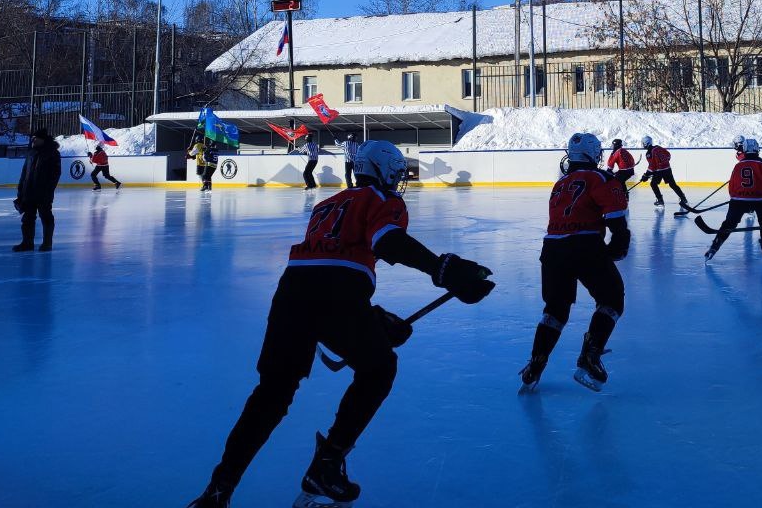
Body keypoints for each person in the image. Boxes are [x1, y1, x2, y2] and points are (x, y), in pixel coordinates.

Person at [185, 141, 495, 508]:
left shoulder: (327, 203)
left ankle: (217, 490)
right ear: (382, 171)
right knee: (379, 369)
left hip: (291, 292)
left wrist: (370, 318)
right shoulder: (382, 200)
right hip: (336, 293)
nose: (398, 180)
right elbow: (387, 244)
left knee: (272, 393)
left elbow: (325, 267)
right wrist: (442, 269)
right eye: (395, 172)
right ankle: (327, 464)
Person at [520, 132, 630, 393]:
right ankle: (590, 356)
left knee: (555, 310)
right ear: (594, 154)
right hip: (584, 246)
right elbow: (616, 222)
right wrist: (617, 246)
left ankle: (536, 362)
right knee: (612, 299)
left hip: (552, 248)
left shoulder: (560, 183)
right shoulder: (602, 177)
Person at [705, 138, 762, 261]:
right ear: (757, 149)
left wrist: (736, 199)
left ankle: (714, 246)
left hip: (738, 200)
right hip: (760, 199)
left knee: (729, 223)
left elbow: (732, 188)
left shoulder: (738, 166)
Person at [13, 128, 61, 252]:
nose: (33, 140)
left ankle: (47, 243)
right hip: (28, 192)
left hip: (43, 193)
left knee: (46, 217)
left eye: (35, 138)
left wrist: (48, 190)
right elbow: (24, 173)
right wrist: (20, 191)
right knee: (27, 218)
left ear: (43, 139)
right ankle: (27, 243)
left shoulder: (52, 153)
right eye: (32, 138)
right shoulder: (31, 153)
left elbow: (55, 174)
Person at [636, 135, 689, 209]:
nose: (642, 145)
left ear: (646, 143)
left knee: (653, 184)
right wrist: (664, 163)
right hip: (667, 169)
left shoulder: (649, 153)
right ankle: (683, 198)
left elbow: (652, 166)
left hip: (659, 171)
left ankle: (660, 200)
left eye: (643, 143)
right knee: (672, 184)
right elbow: (668, 155)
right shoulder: (658, 147)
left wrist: (646, 175)